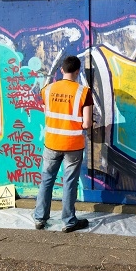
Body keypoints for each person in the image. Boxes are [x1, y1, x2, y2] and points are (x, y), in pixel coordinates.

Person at [34, 55, 93, 232]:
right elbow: (87, 124)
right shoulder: (84, 92)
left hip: (52, 142)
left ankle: (40, 218)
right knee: (69, 182)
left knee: (47, 179)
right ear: (77, 71)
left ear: (61, 70)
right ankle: (68, 221)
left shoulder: (48, 89)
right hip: (73, 144)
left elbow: (47, 111)